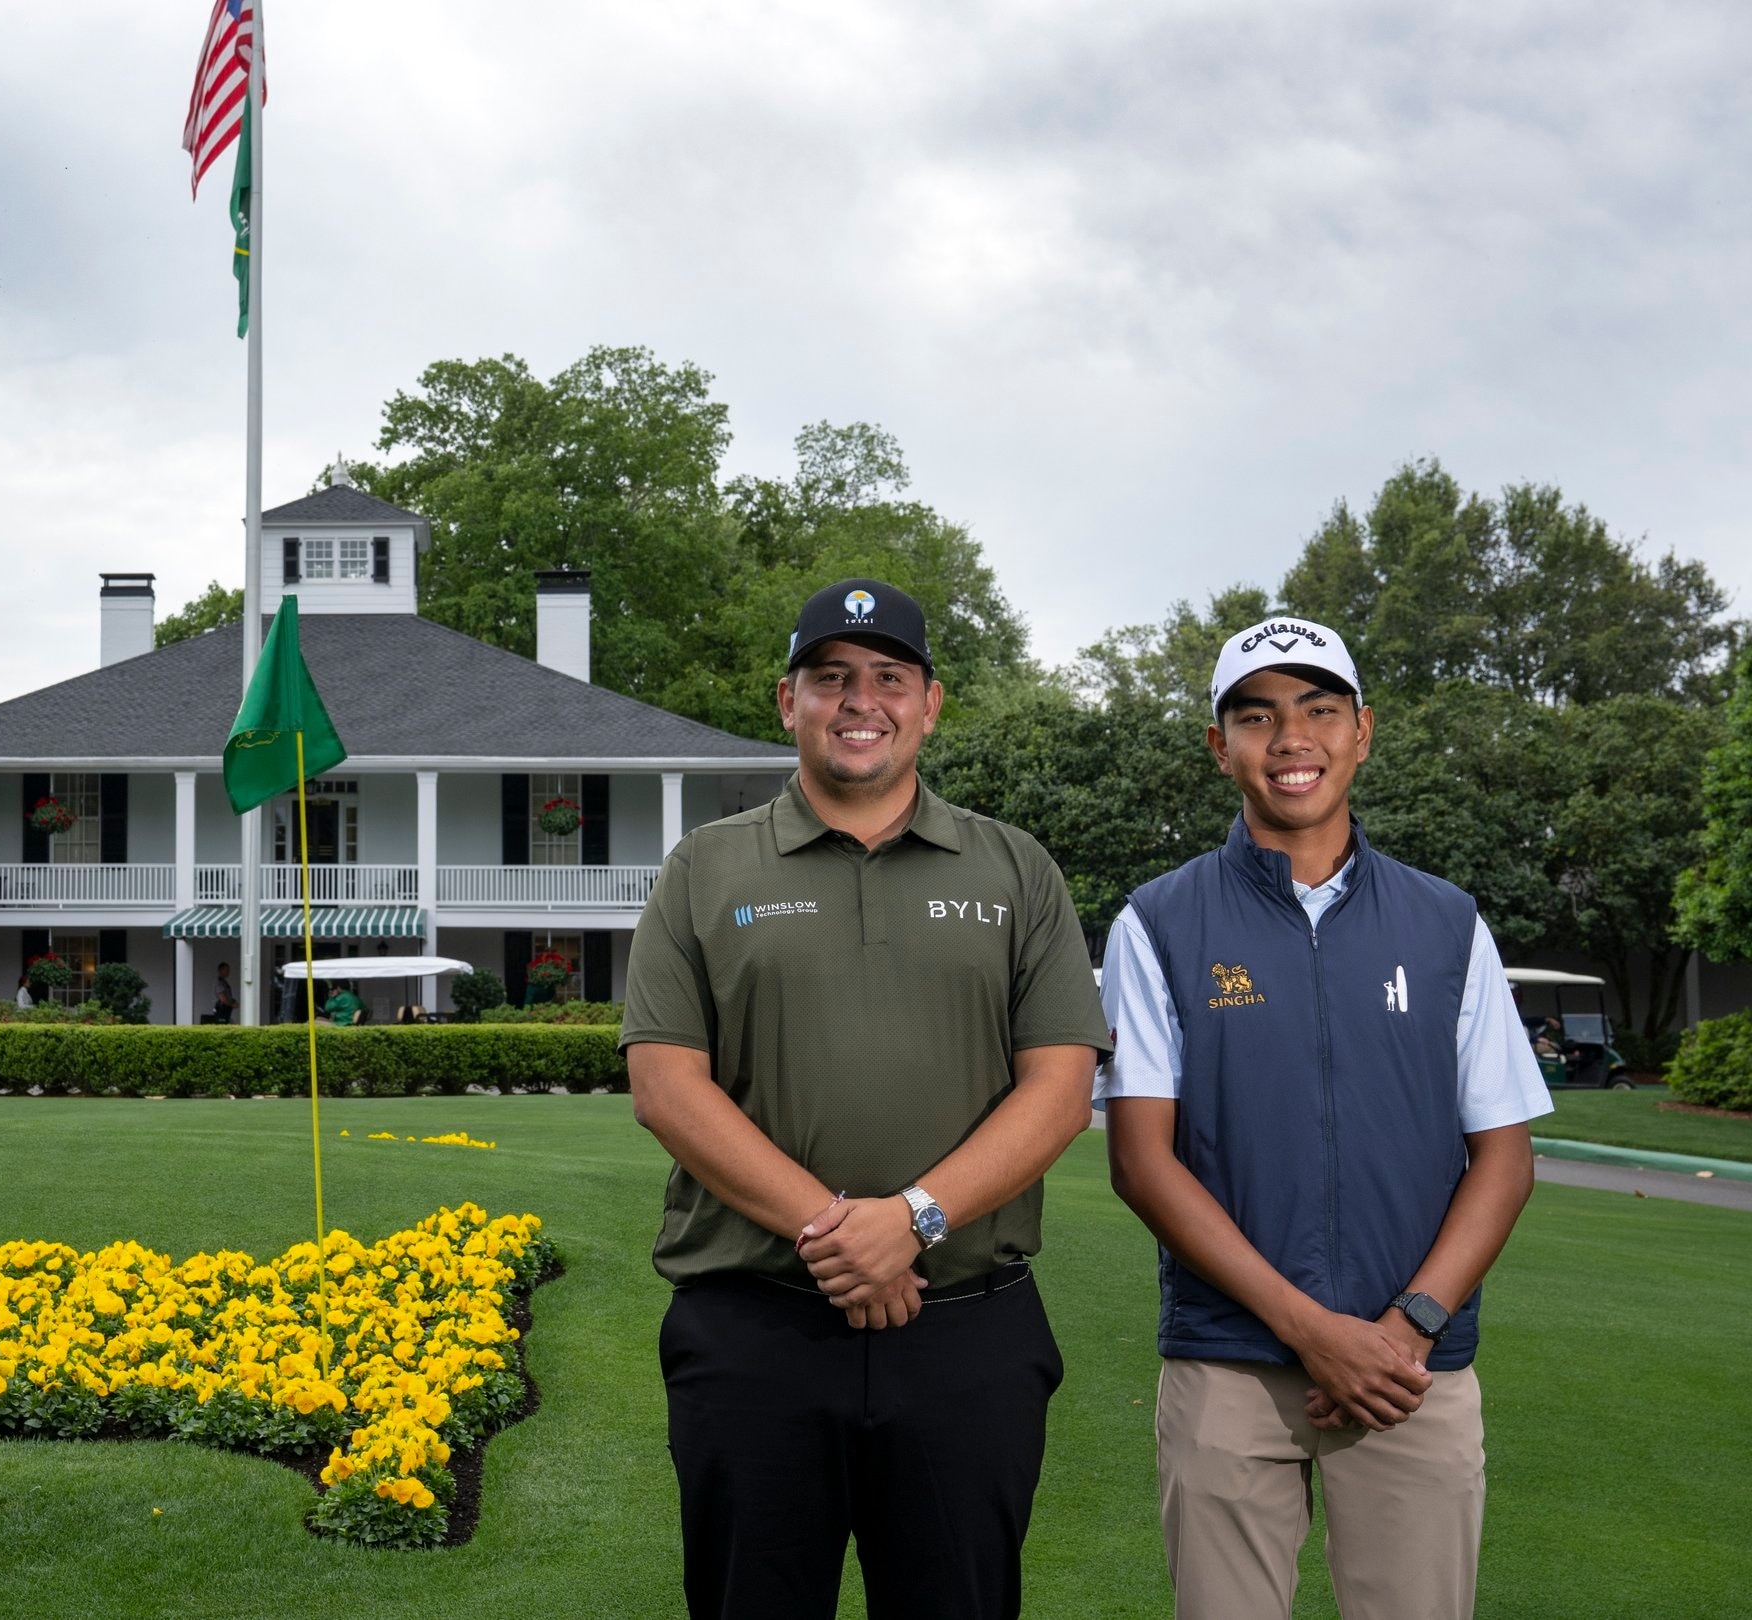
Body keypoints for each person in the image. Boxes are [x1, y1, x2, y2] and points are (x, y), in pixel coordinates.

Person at [620, 577, 1112, 1620]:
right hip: (755, 1335)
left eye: (889, 678)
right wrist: (840, 1233)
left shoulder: (1016, 869)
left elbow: (1062, 1088)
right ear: (786, 700)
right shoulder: (704, 870)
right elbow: (667, 1088)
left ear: (930, 704)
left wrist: (915, 1221)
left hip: (965, 1336)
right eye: (830, 678)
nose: (860, 701)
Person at [1097, 616, 1550, 1620]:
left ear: (1362, 732)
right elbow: (1143, 1162)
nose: (1290, 737)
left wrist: (1404, 1327)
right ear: (1221, 748)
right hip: (1228, 1364)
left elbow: (1504, 1155)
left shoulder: (1447, 922)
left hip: (1410, 1373)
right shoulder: (1158, 922)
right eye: (1256, 717)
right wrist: (1312, 1329)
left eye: (1318, 710)